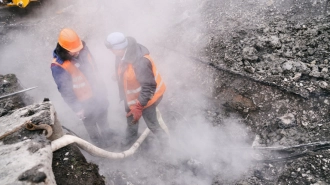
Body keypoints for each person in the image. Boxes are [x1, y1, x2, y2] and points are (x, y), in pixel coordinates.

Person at [104, 32, 169, 150]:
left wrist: (139, 107)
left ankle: (167, 146)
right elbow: (125, 69)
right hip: (132, 97)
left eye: (112, 49)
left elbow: (148, 87)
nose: (111, 52)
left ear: (119, 48)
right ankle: (130, 138)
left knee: (153, 124)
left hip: (149, 97)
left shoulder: (140, 62)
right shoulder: (121, 53)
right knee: (131, 118)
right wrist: (118, 75)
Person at [51, 28, 112, 148]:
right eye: (73, 51)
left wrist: (102, 89)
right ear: (64, 49)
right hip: (83, 100)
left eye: (78, 49)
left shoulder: (83, 49)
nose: (77, 52)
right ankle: (98, 144)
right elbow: (65, 89)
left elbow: (94, 68)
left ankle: (108, 136)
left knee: (103, 115)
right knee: (90, 123)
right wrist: (77, 108)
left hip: (97, 93)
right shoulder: (58, 65)